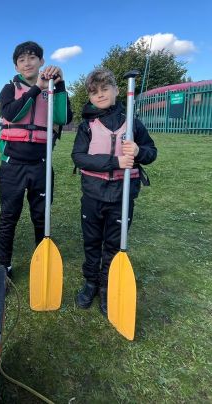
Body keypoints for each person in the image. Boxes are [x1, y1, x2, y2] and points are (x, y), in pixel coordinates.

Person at [71, 67, 157, 315]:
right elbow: (79, 157)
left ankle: (107, 285)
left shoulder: (132, 123)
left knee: (113, 243)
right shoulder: (87, 126)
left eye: (104, 89)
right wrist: (115, 162)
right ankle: (91, 282)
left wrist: (138, 152)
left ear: (117, 90)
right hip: (93, 194)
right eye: (94, 92)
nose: (100, 95)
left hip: (122, 195)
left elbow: (151, 152)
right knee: (91, 241)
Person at [0, 41, 73, 277]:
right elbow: (12, 114)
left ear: (41, 61)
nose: (27, 63)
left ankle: (42, 259)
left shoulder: (53, 88)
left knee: (41, 216)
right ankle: (4, 264)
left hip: (40, 166)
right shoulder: (9, 89)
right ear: (16, 66)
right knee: (9, 216)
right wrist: (37, 88)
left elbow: (63, 117)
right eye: (22, 60)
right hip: (12, 166)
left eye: (32, 58)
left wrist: (59, 85)